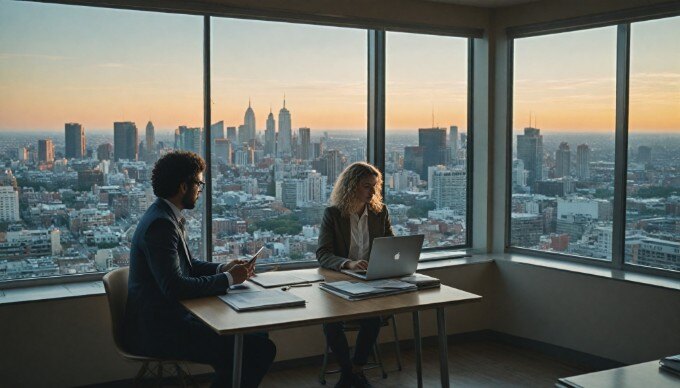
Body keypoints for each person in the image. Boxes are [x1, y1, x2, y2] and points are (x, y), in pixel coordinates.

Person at [124, 151, 275, 388]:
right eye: (199, 183)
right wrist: (228, 279)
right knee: (260, 348)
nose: (200, 189)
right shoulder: (161, 225)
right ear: (184, 186)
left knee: (256, 336)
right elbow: (175, 287)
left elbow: (189, 267)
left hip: (169, 320)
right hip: (160, 331)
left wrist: (224, 268)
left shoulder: (165, 216)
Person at [316, 162, 394, 388]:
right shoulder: (333, 214)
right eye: (366, 186)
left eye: (375, 187)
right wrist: (348, 263)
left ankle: (355, 370)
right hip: (341, 282)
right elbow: (323, 253)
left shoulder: (380, 213)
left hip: (371, 280)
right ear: (352, 187)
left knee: (373, 317)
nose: (372, 192)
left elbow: (390, 245)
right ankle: (349, 371)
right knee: (330, 323)